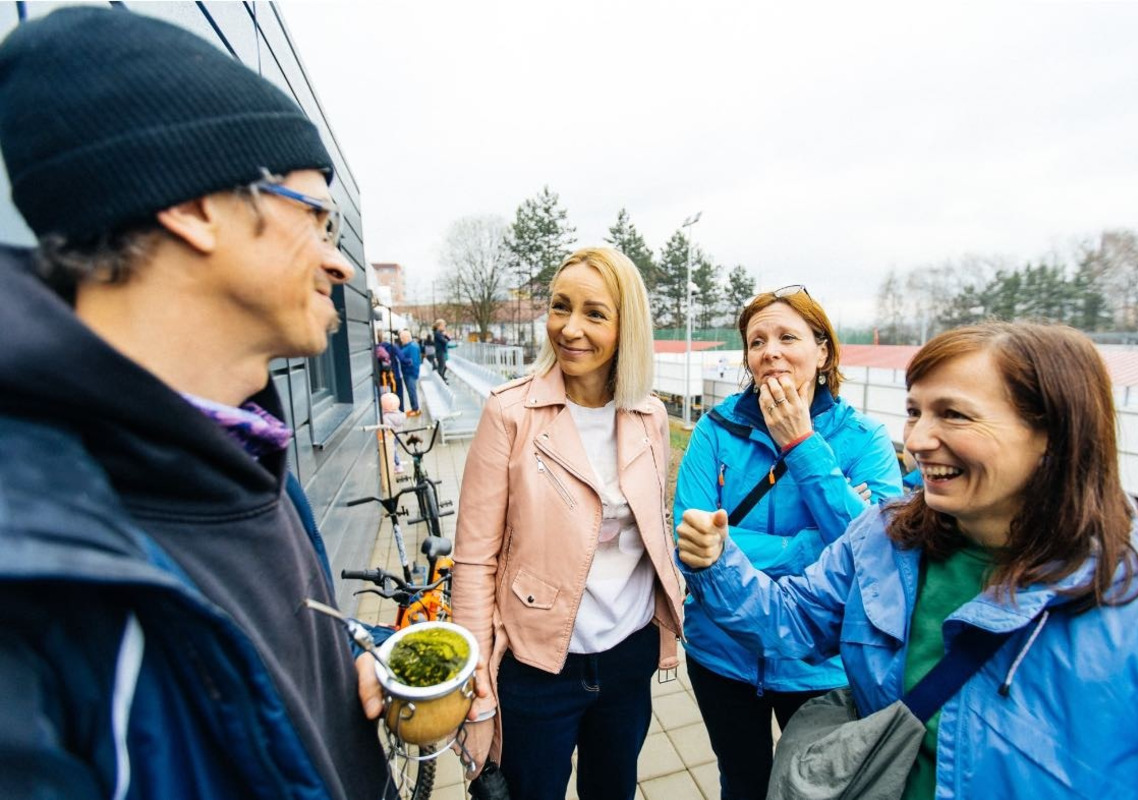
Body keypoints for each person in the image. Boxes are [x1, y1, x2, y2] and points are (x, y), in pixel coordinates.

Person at [0, 8, 389, 799]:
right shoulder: (35, 592)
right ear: (194, 206)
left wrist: (357, 655)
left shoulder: (245, 446)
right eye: (316, 216)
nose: (338, 262)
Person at [677, 322, 1138, 799]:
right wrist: (720, 561)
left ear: (1052, 432)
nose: (918, 440)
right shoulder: (888, 537)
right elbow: (790, 620)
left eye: (953, 414)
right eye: (914, 412)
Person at [453, 247, 684, 799]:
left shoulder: (649, 415)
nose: (570, 328)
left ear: (627, 326)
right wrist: (477, 680)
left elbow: (653, 526)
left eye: (595, 313)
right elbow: (474, 558)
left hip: (628, 659)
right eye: (560, 307)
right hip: (537, 667)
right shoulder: (509, 413)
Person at [674, 284, 903, 799]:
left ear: (822, 352)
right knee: (743, 782)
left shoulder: (864, 440)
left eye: (786, 337)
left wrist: (803, 446)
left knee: (821, 789)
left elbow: (878, 554)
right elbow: (688, 536)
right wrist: (810, 549)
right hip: (722, 654)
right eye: (757, 341)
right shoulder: (716, 429)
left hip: (821, 668)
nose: (769, 350)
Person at [395, 328, 422, 417]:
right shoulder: (407, 346)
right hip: (407, 373)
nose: (401, 340)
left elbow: (413, 362)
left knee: (411, 391)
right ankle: (414, 408)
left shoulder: (412, 347)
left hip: (410, 373)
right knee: (410, 391)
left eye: (402, 338)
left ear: (407, 337)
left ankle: (416, 409)